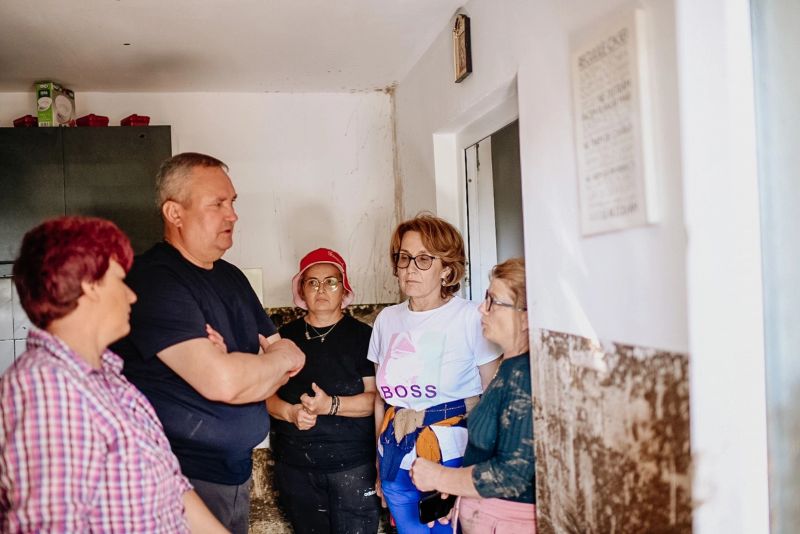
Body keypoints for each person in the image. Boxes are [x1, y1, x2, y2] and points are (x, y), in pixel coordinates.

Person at [112, 152, 305, 534]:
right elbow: (225, 383)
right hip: (180, 479)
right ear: (175, 212)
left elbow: (290, 361)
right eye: (217, 204)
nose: (232, 215)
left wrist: (243, 366)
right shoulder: (156, 280)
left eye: (232, 202)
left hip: (235, 474)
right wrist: (256, 368)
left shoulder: (232, 277)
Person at [0, 216, 226, 533]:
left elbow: (174, 487)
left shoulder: (109, 377)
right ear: (90, 285)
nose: (132, 296)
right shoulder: (47, 385)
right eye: (121, 280)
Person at [368, 214, 501, 534]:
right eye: (404, 257)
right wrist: (379, 461)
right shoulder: (386, 320)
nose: (410, 268)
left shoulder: (469, 317)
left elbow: (493, 398)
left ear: (447, 269)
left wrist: (474, 473)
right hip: (395, 453)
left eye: (424, 259)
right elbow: (380, 400)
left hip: (454, 458)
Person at [409, 258, 535, 534]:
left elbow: (512, 474)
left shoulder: (525, 376)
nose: (482, 308)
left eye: (493, 301)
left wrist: (441, 477)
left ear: (526, 317)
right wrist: (458, 491)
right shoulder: (509, 367)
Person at [267, 247, 380, 533]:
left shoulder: (364, 337)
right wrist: (291, 413)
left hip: (353, 466)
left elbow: (375, 399)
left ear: (344, 290)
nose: (321, 289)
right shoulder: (283, 339)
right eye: (312, 282)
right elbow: (266, 396)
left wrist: (330, 405)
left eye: (331, 282)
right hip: (296, 466)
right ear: (301, 291)